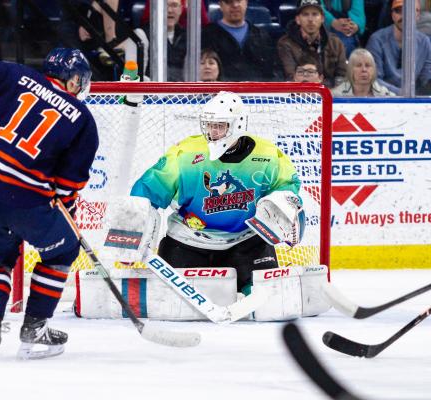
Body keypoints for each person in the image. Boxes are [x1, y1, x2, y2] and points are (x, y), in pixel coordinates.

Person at [0, 48, 99, 358]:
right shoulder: (82, 119)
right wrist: (67, 212)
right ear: (74, 80)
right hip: (27, 202)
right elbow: (67, 187)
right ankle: (35, 327)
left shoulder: (14, 75)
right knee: (64, 249)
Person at [130, 91, 303, 294]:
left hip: (245, 242)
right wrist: (135, 226)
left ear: (237, 125)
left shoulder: (268, 155)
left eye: (219, 126)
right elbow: (148, 190)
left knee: (267, 300)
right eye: (209, 125)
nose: (212, 132)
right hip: (187, 241)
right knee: (168, 299)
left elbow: (288, 188)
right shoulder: (186, 153)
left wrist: (284, 207)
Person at [277, 0, 347, 88]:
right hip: (298, 96)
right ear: (298, 20)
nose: (310, 19)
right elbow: (290, 77)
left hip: (331, 95)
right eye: (305, 14)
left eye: (315, 14)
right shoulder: (285, 44)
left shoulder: (336, 43)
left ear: (322, 19)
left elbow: (342, 77)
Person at [202, 0, 276, 81]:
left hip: (257, 91)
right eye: (229, 2)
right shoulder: (207, 34)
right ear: (221, 5)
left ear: (246, 3)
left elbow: (272, 72)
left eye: (239, 0)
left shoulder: (261, 35)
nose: (235, 5)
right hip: (221, 91)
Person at [366, 0, 431, 89]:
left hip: (413, 100)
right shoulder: (377, 40)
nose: (404, 16)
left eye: (409, 11)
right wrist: (401, 96)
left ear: (418, 15)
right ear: (392, 15)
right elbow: (374, 80)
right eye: (398, 11)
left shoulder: (424, 42)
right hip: (385, 99)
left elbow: (427, 80)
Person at [142, 0, 187, 81]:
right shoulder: (144, 35)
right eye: (164, 5)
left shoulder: (187, 36)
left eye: (174, 5)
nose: (169, 10)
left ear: (181, 9)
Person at [332, 48, 397, 96]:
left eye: (368, 65)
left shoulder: (384, 94)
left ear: (374, 70)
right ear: (350, 69)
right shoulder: (336, 95)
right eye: (358, 65)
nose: (364, 69)